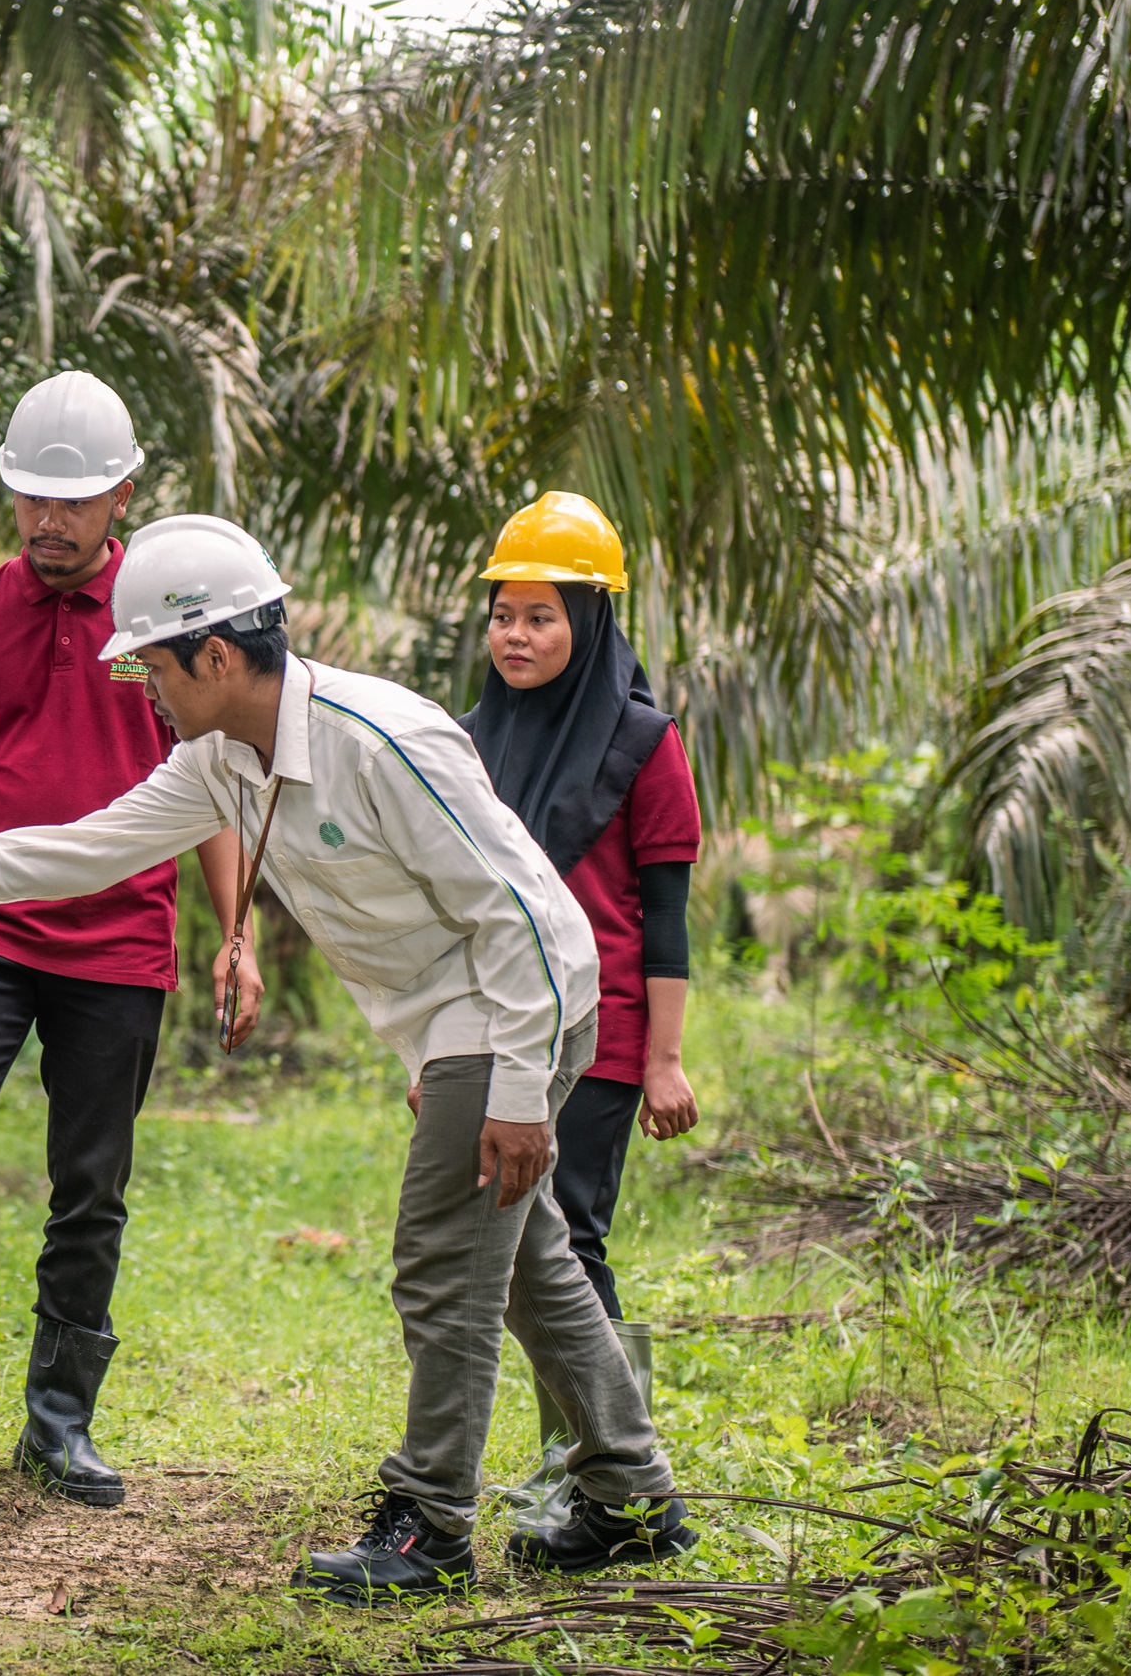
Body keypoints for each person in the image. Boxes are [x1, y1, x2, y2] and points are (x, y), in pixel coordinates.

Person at [0, 514, 696, 1600]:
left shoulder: (376, 739)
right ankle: (631, 1497)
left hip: (515, 1001)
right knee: (523, 1264)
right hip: (457, 1014)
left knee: (442, 1264)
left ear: (217, 657)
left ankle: (428, 1527)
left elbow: (511, 918)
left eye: (151, 669)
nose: (142, 690)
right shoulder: (221, 759)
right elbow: (89, 845)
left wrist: (512, 1089)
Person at [0, 372, 259, 1509]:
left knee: (92, 1178)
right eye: (31, 497)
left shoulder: (166, 621)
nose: (50, 521)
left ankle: (58, 1423)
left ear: (123, 495)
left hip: (120, 941)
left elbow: (211, 785)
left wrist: (237, 933)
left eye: (74, 501)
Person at [456, 492, 700, 1534]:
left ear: (589, 620)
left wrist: (665, 1059)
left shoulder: (645, 744)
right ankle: (581, 1459)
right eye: (503, 614)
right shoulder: (464, 738)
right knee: (515, 1247)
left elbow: (666, 918)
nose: (514, 635)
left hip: (599, 1036)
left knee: (569, 1240)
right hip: (495, 1029)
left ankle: (599, 1470)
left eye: (539, 615)